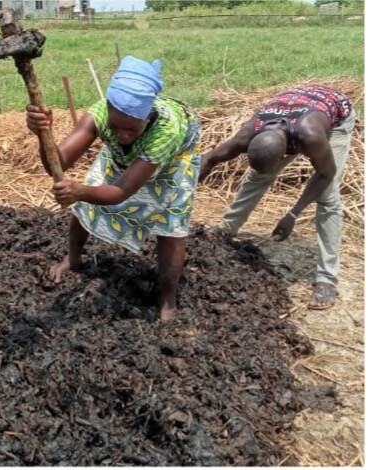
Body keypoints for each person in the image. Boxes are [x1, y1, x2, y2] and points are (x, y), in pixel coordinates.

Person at [26, 56, 201, 321]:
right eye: (116, 127)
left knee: (170, 225)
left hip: (174, 161)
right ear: (107, 107)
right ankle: (74, 259)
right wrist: (43, 134)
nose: (122, 135)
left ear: (147, 116)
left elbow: (121, 192)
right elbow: (57, 164)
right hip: (124, 157)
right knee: (83, 205)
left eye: (131, 129)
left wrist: (81, 191)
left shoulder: (167, 131)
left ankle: (168, 299)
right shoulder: (99, 115)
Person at [199, 85, 355, 310]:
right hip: (294, 108)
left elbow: (325, 173)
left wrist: (293, 214)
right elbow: (209, 159)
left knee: (327, 198)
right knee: (257, 177)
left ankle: (327, 279)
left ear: (287, 152)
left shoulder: (310, 137)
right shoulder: (248, 133)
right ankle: (226, 229)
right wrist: (185, 194)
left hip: (335, 114)